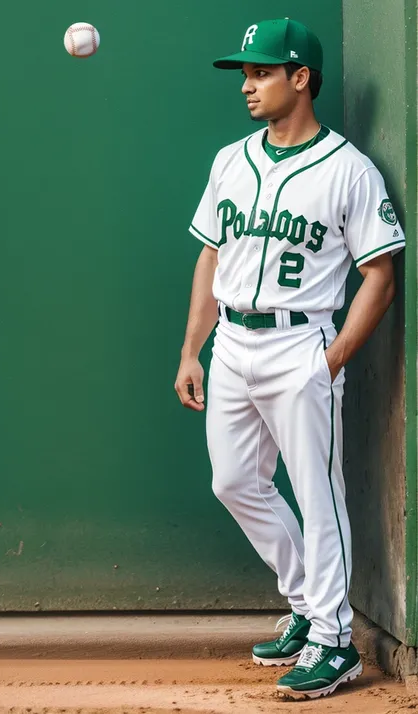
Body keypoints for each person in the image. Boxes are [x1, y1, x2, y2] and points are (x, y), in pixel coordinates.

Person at [174, 17, 405, 700]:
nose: (248, 85)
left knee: (317, 493)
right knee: (233, 481)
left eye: (262, 72)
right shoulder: (231, 160)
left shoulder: (349, 171)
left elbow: (382, 274)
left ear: (300, 78)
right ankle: (310, 607)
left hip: (299, 342)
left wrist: (329, 360)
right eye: (245, 73)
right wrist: (192, 348)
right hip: (234, 344)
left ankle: (335, 643)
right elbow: (211, 255)